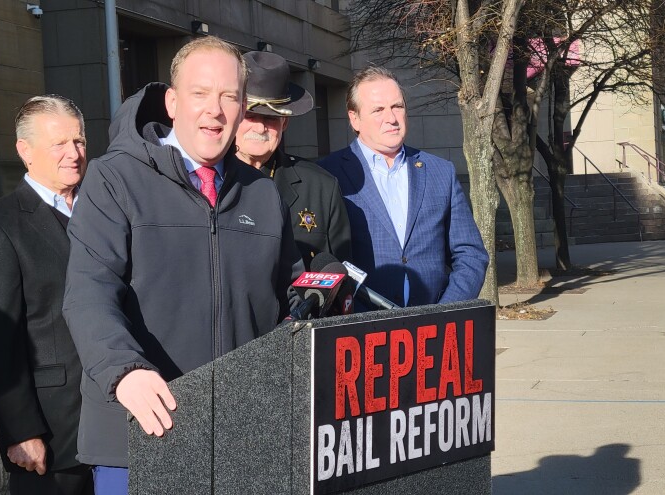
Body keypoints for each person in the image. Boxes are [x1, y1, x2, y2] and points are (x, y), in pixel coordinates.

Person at [62, 36, 303, 494]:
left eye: (230, 96)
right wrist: (124, 370)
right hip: (140, 432)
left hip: (241, 436)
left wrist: (315, 305)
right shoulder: (113, 178)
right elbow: (88, 293)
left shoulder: (263, 193)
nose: (214, 109)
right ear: (172, 102)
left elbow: (284, 298)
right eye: (200, 93)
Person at [0, 95, 93, 495]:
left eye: (80, 141)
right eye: (59, 143)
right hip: (53, 434)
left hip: (120, 418)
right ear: (25, 151)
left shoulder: (104, 212)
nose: (73, 153)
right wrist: (20, 430)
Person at [319, 66, 488, 308]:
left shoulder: (440, 172)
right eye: (378, 110)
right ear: (354, 119)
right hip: (361, 330)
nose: (391, 118)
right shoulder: (329, 174)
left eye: (397, 106)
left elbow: (471, 254)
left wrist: (445, 312)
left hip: (432, 328)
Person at [235, 51, 351, 269]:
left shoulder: (321, 188)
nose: (260, 127)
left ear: (285, 123)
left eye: (271, 118)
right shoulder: (207, 181)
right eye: (250, 116)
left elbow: (341, 277)